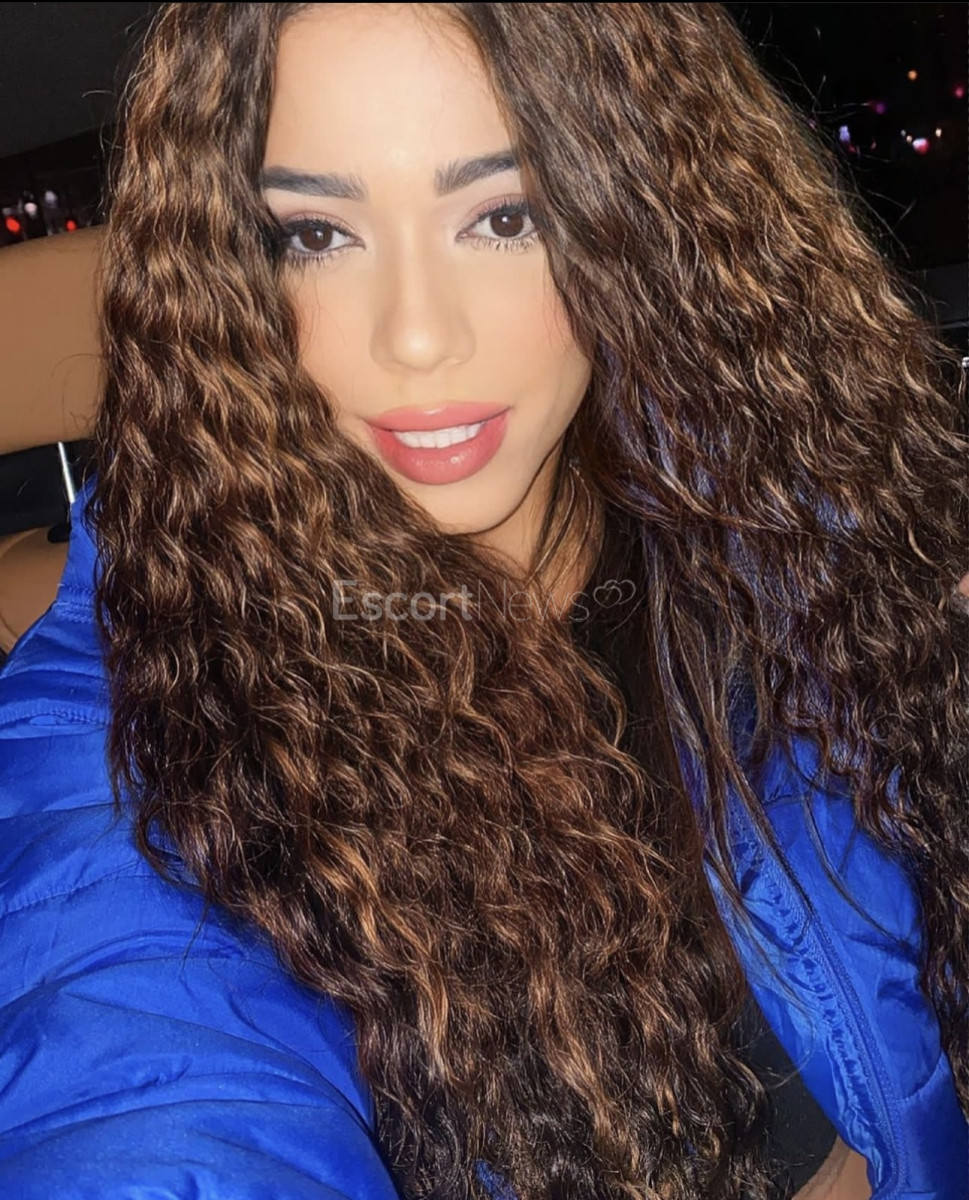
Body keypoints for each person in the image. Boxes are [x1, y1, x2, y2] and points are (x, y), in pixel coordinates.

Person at [0, 3, 966, 1197]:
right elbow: (140, 1093)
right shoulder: (143, 719)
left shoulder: (783, 509)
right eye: (316, 234)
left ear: (637, 207)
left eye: (504, 217)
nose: (416, 338)